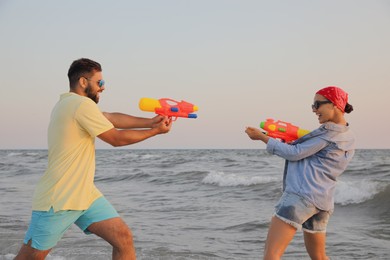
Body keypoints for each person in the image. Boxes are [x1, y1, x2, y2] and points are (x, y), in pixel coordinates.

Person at [15, 58, 172, 260]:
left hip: (84, 194)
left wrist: (150, 122)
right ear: (83, 82)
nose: (103, 88)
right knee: (29, 257)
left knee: (122, 238)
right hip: (61, 197)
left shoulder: (70, 103)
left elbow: (110, 117)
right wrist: (155, 131)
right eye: (100, 83)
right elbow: (115, 138)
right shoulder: (80, 105)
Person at [245, 86, 355, 260]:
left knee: (271, 256)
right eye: (313, 106)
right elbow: (311, 158)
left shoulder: (327, 135)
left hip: (300, 198)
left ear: (334, 104)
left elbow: (294, 154)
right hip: (323, 202)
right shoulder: (348, 137)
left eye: (317, 105)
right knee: (319, 257)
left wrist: (262, 137)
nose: (314, 110)